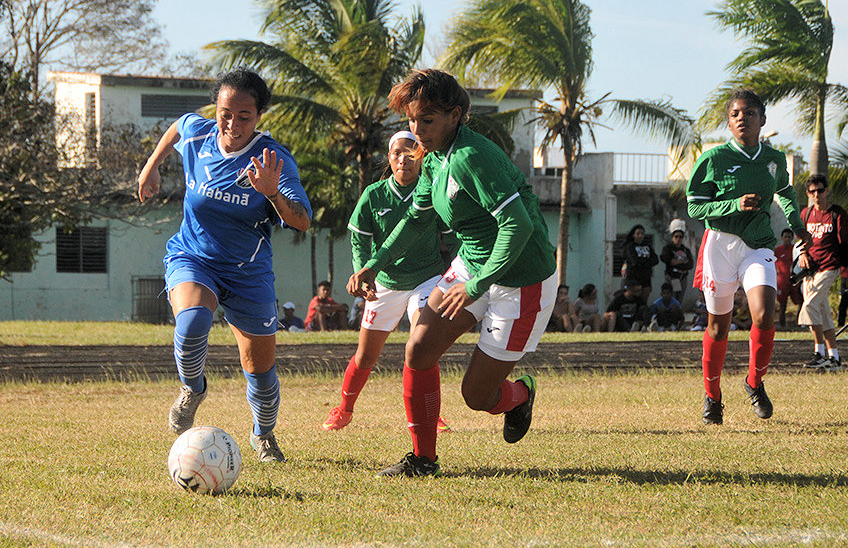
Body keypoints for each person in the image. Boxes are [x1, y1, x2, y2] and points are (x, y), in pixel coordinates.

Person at [348, 69, 558, 477]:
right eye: (411, 120)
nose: (416, 130)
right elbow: (414, 219)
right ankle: (424, 459)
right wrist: (375, 263)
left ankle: (519, 395)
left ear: (455, 115)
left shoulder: (471, 157)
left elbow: (519, 226)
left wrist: (477, 285)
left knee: (477, 395)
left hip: (522, 280)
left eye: (426, 120)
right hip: (473, 266)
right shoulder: (433, 159)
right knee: (419, 349)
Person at [137, 68, 312, 461]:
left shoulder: (274, 159)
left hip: (248, 273)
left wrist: (272, 194)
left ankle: (263, 435)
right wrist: (151, 168)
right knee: (193, 320)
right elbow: (176, 130)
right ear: (215, 109)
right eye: (224, 113)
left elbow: (302, 219)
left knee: (260, 370)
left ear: (260, 116)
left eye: (244, 116)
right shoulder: (198, 134)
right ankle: (193, 388)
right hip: (193, 256)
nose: (232, 123)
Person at [687, 88, 810, 425]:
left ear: (763, 120)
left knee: (763, 315)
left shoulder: (774, 160)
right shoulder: (713, 160)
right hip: (720, 246)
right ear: (729, 122)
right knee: (718, 326)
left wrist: (797, 225)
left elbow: (785, 192)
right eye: (736, 114)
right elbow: (695, 206)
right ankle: (713, 397)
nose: (743, 118)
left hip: (757, 245)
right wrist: (733, 204)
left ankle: (754, 383)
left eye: (750, 113)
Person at [322, 130, 454, 433]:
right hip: (385, 281)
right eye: (396, 152)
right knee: (366, 355)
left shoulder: (433, 191)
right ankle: (344, 409)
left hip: (427, 278)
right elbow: (360, 241)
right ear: (389, 158)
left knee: (422, 341)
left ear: (421, 156)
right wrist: (363, 273)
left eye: (411, 151)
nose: (403, 158)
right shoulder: (374, 194)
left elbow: (454, 234)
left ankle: (431, 415)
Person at [798, 174, 848, 371]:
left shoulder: (837, 214)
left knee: (810, 306)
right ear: (808, 194)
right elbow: (802, 239)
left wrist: (846, 273)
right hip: (810, 269)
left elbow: (845, 244)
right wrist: (803, 253)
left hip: (830, 267)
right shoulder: (806, 213)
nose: (817, 194)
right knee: (823, 312)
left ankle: (818, 352)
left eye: (820, 190)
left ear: (827, 191)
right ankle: (834, 358)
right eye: (812, 191)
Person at [773, 228, 802, 328]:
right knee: (782, 304)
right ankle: (782, 325)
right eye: (785, 237)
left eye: (789, 237)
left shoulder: (795, 249)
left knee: (800, 302)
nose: (787, 239)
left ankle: (799, 323)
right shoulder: (777, 250)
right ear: (782, 238)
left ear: (792, 238)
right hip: (782, 281)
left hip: (794, 280)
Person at [660, 220, 694, 304]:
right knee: (672, 299)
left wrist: (677, 262)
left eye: (680, 237)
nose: (678, 239)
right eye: (676, 236)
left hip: (683, 277)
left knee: (680, 300)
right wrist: (682, 262)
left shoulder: (685, 250)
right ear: (672, 237)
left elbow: (690, 264)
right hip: (672, 277)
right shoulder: (668, 248)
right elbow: (666, 259)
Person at [622, 224, 658, 302]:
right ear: (633, 235)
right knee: (633, 300)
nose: (640, 235)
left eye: (642, 233)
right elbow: (634, 261)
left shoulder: (647, 246)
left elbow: (655, 260)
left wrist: (644, 262)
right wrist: (646, 261)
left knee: (643, 301)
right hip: (634, 277)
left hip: (646, 278)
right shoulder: (630, 246)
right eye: (638, 233)